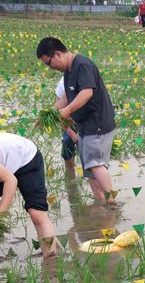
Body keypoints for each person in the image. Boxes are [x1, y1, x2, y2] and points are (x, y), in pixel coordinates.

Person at [37, 37, 118, 206]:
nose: (50, 68)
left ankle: (112, 203)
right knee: (89, 169)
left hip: (98, 124)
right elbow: (68, 96)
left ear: (57, 54)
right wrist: (50, 113)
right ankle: (100, 204)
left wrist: (67, 111)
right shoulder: (69, 71)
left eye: (49, 63)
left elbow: (86, 92)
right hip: (84, 127)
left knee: (96, 164)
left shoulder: (82, 65)